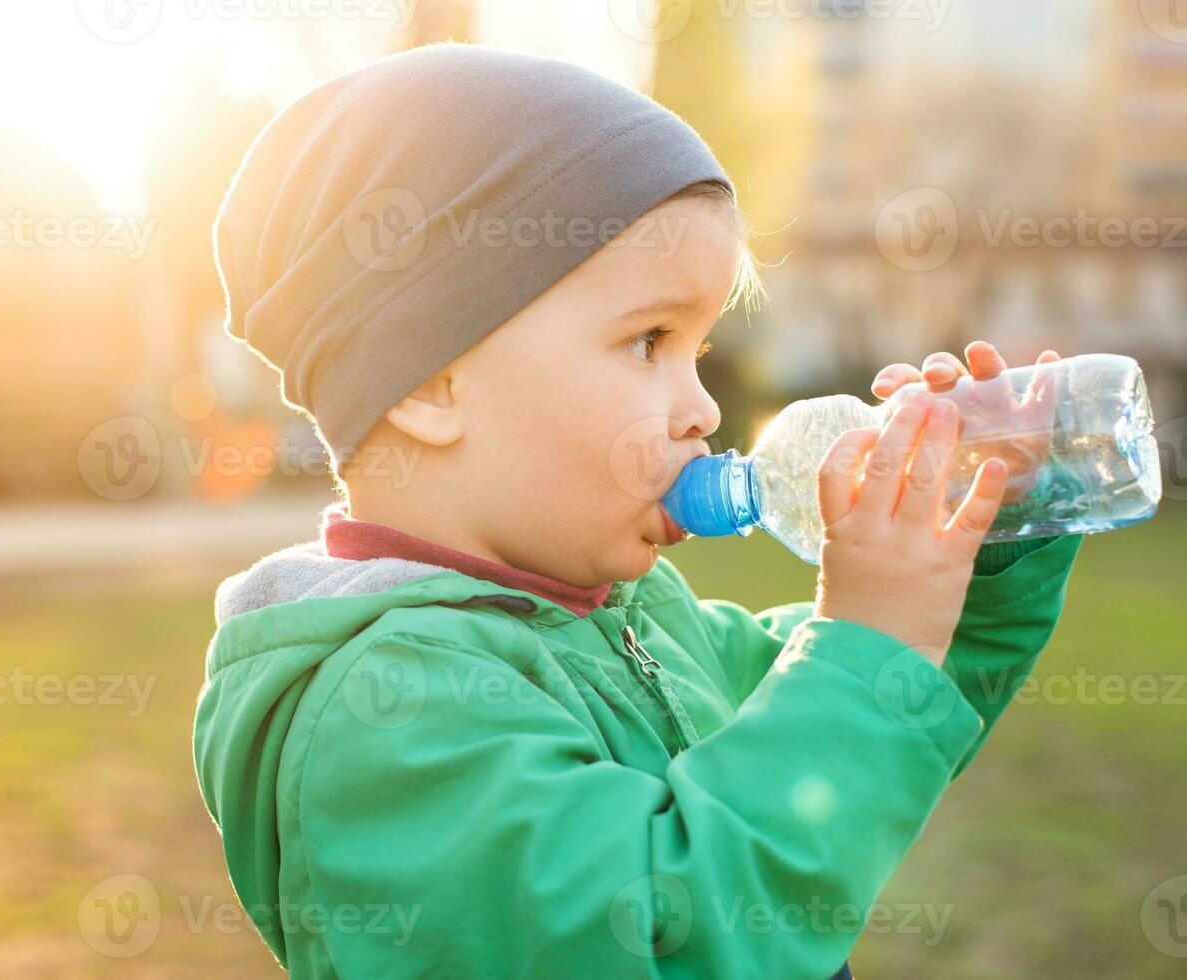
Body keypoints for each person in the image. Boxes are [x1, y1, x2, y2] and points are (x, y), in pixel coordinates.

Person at [194, 42, 1083, 978]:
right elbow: (669, 938)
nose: (703, 409)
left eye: (700, 348)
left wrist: (970, 548)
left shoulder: (639, 622)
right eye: (649, 339)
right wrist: (873, 643)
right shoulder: (383, 714)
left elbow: (873, 728)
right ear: (430, 382)